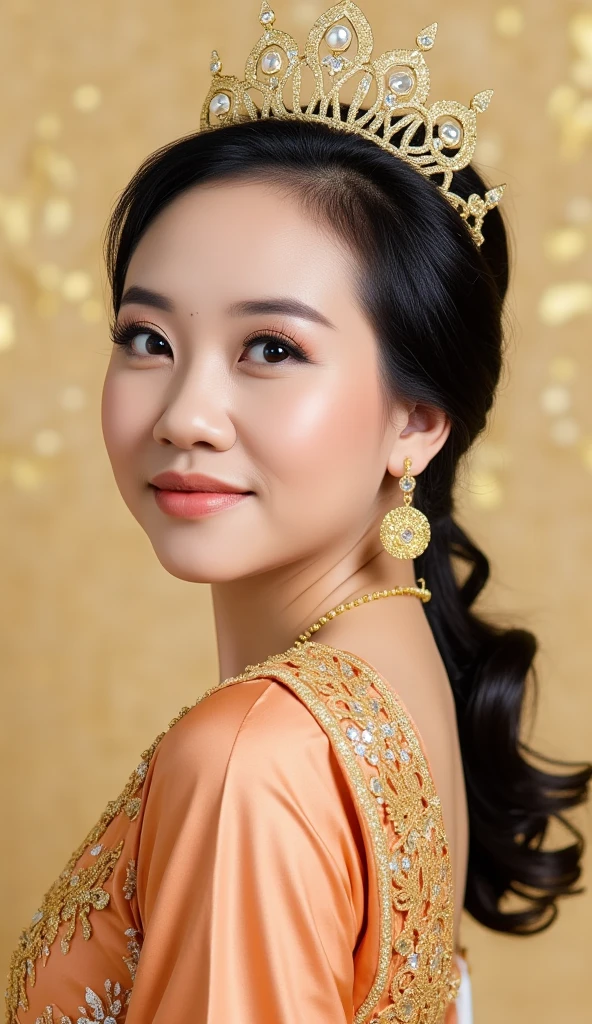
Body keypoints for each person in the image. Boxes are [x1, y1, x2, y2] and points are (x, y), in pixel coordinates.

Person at [5, 3, 591, 1023]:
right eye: (147, 337)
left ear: (415, 421)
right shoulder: (398, 671)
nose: (185, 412)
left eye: (271, 348)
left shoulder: (251, 753)